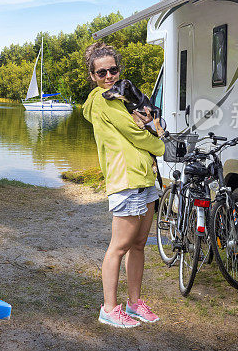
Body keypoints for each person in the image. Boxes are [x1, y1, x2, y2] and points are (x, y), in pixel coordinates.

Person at [82, 41, 166, 328]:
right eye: (101, 72)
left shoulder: (120, 99)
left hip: (144, 178)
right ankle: (109, 307)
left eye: (112, 70)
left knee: (139, 244)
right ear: (93, 76)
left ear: (119, 70)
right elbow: (136, 134)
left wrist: (147, 126)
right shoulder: (101, 101)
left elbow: (141, 126)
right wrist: (160, 144)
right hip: (125, 180)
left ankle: (133, 303)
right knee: (118, 247)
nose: (108, 77)